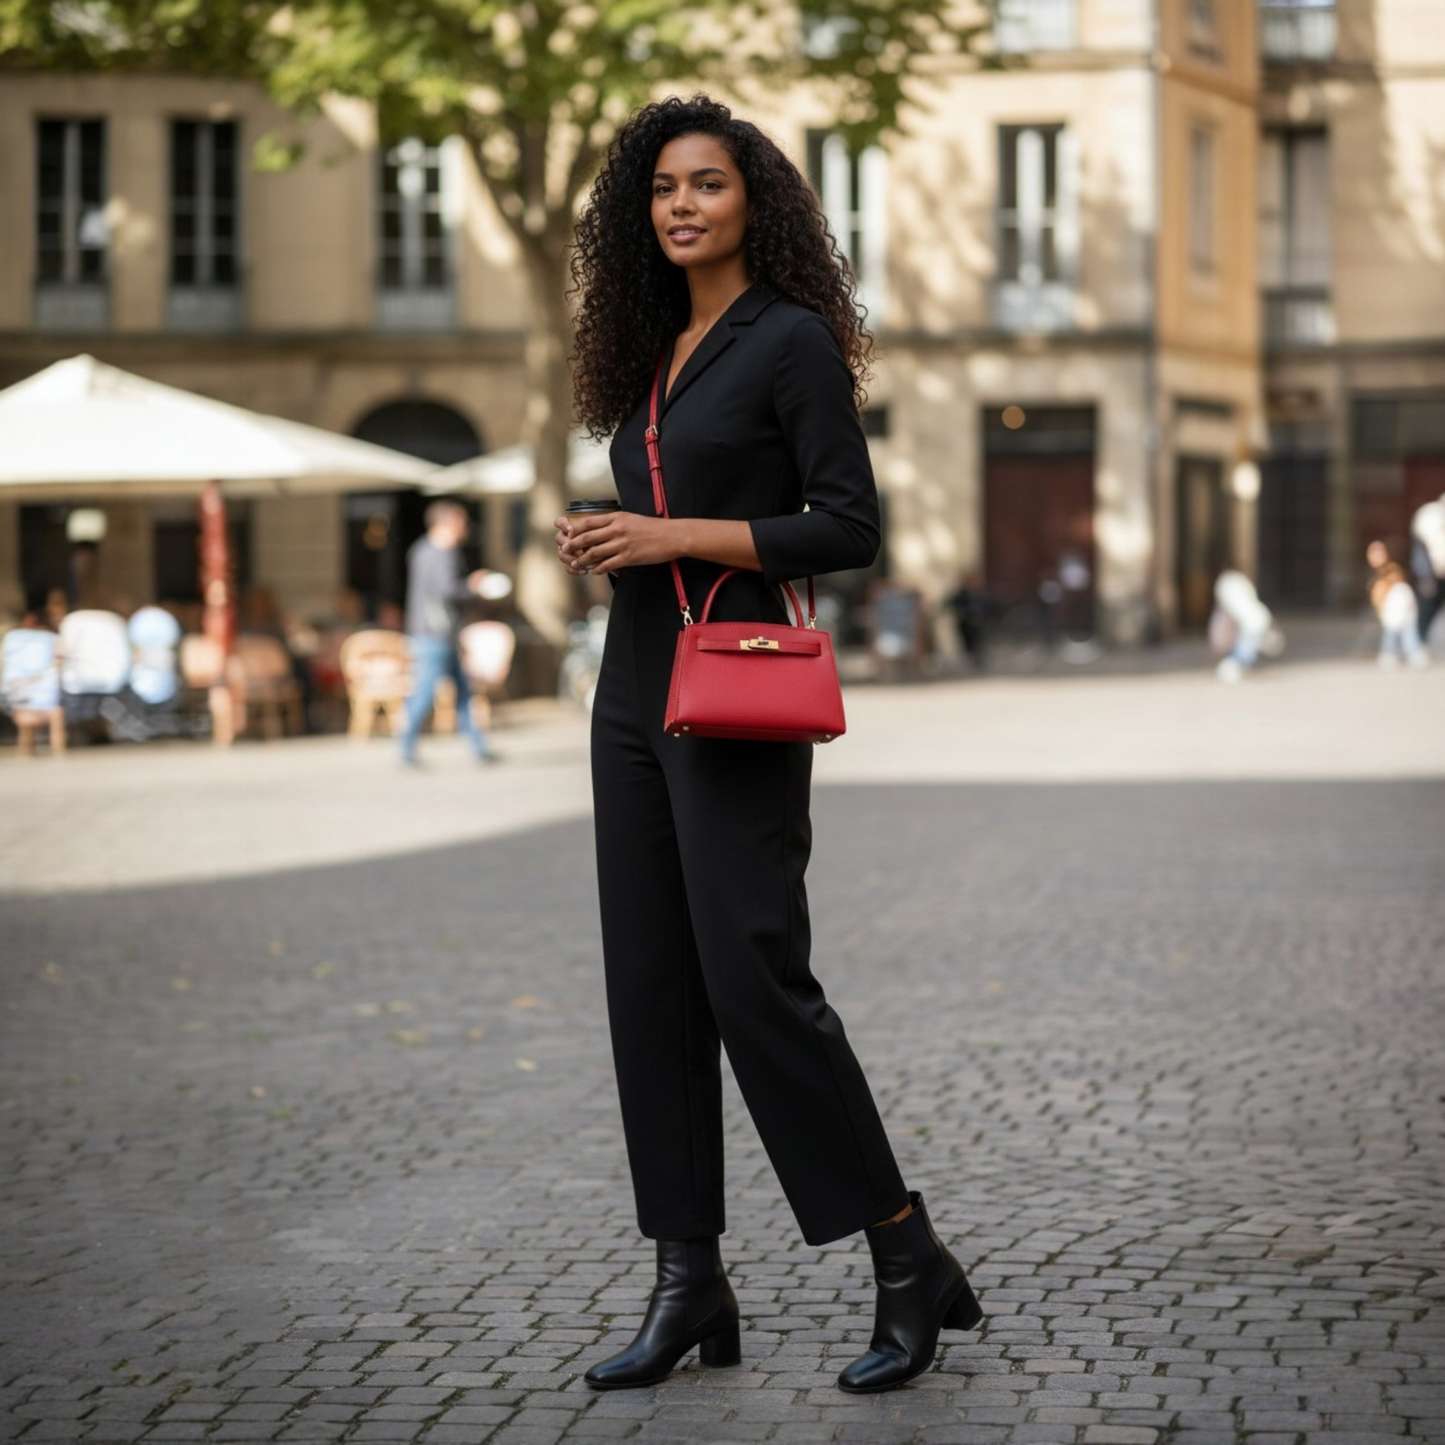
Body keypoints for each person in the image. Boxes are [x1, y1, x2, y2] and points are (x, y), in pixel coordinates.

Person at [555, 94, 982, 1395]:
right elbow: (663, 501)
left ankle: (903, 1250)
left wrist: (672, 537)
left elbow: (846, 525)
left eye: (707, 184)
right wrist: (608, 538)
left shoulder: (788, 339)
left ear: (755, 202)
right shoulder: (651, 350)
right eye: (662, 189)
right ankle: (688, 1278)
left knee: (753, 978)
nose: (681, 205)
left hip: (736, 685)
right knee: (650, 985)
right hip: (631, 687)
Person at [398, 500, 496, 766]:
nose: (465, 527)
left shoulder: (421, 549)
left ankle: (478, 747)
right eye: (461, 522)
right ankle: (405, 747)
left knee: (462, 692)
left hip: (434, 632)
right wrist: (473, 586)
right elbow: (447, 591)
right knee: (426, 692)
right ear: (448, 522)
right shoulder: (442, 552)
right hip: (436, 634)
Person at [1367, 540, 1426, 669]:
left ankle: (1410, 653)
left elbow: (1396, 589)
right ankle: (1394, 653)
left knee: (1405, 631)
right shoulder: (1378, 574)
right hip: (1390, 608)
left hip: (1399, 606)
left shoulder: (1391, 570)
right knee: (1395, 631)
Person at [1210, 569, 1275, 683]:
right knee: (1245, 648)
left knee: (1244, 650)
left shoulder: (1229, 587)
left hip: (1251, 625)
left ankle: (1237, 665)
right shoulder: (1233, 587)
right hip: (1252, 624)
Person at [1409, 498, 1445, 646]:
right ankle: (1418, 644)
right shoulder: (1430, 517)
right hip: (1430, 573)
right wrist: (1425, 575)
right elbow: (1427, 549)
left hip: (1437, 570)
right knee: (1427, 608)